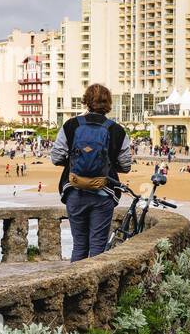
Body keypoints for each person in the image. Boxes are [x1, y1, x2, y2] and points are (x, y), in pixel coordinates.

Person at [49, 83, 132, 261]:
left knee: (79, 245)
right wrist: (107, 165)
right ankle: (97, 286)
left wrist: (73, 162)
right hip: (104, 193)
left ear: (86, 101)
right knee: (98, 246)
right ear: (109, 103)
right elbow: (126, 165)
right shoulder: (116, 130)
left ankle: (76, 286)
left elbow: (56, 157)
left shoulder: (71, 125)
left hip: (74, 190)